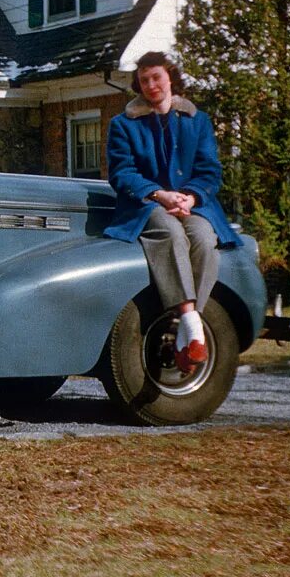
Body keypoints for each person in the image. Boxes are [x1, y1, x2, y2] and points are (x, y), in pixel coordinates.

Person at [103, 51, 240, 374]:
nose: (151, 85)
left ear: (170, 78)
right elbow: (122, 172)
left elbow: (210, 171)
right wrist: (159, 194)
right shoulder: (123, 124)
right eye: (145, 80)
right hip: (146, 204)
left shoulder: (197, 121)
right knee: (169, 232)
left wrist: (191, 197)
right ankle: (194, 325)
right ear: (139, 83)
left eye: (157, 78)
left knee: (205, 239)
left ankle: (183, 328)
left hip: (191, 203)